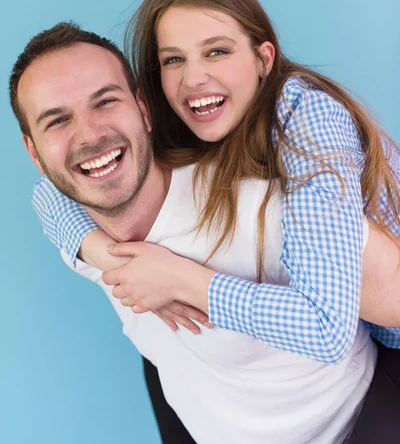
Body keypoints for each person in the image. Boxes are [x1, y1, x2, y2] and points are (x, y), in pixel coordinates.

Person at [10, 22, 399, 443]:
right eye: (57, 121)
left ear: (143, 109)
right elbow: (45, 197)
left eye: (105, 101)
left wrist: (188, 281)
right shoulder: (87, 231)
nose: (89, 134)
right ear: (33, 151)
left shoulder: (261, 207)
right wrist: (110, 258)